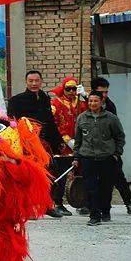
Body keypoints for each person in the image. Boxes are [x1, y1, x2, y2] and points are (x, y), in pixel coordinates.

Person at [6, 70, 64, 219]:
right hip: (27, 145)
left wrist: (58, 141)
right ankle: (28, 208)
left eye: (36, 81)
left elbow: (50, 122)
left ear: (41, 81)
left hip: (44, 144)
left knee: (49, 174)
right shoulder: (16, 101)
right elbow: (12, 124)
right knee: (29, 176)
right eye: (31, 81)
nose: (34, 84)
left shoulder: (44, 98)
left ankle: (47, 205)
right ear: (26, 82)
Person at [90, 77, 131, 215]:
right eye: (101, 92)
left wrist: (117, 151)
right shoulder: (87, 105)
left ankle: (128, 202)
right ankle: (93, 205)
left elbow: (117, 131)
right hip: (91, 151)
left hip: (109, 149)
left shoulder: (109, 105)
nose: (104, 95)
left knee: (116, 175)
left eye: (106, 92)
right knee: (96, 180)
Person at [73, 91, 126, 226]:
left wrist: (116, 153)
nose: (92, 104)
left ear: (102, 102)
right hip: (88, 158)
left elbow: (120, 137)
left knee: (106, 187)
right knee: (91, 187)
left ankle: (105, 210)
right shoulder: (82, 118)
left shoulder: (111, 118)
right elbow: (78, 140)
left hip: (107, 158)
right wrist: (76, 157)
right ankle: (94, 215)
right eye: (90, 101)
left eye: (96, 101)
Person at [49, 77, 86, 216]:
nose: (71, 91)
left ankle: (82, 202)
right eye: (68, 89)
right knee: (61, 175)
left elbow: (96, 110)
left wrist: (86, 97)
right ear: (63, 89)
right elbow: (54, 124)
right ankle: (57, 203)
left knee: (82, 173)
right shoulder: (55, 104)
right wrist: (66, 139)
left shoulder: (81, 104)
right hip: (62, 146)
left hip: (81, 145)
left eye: (74, 89)